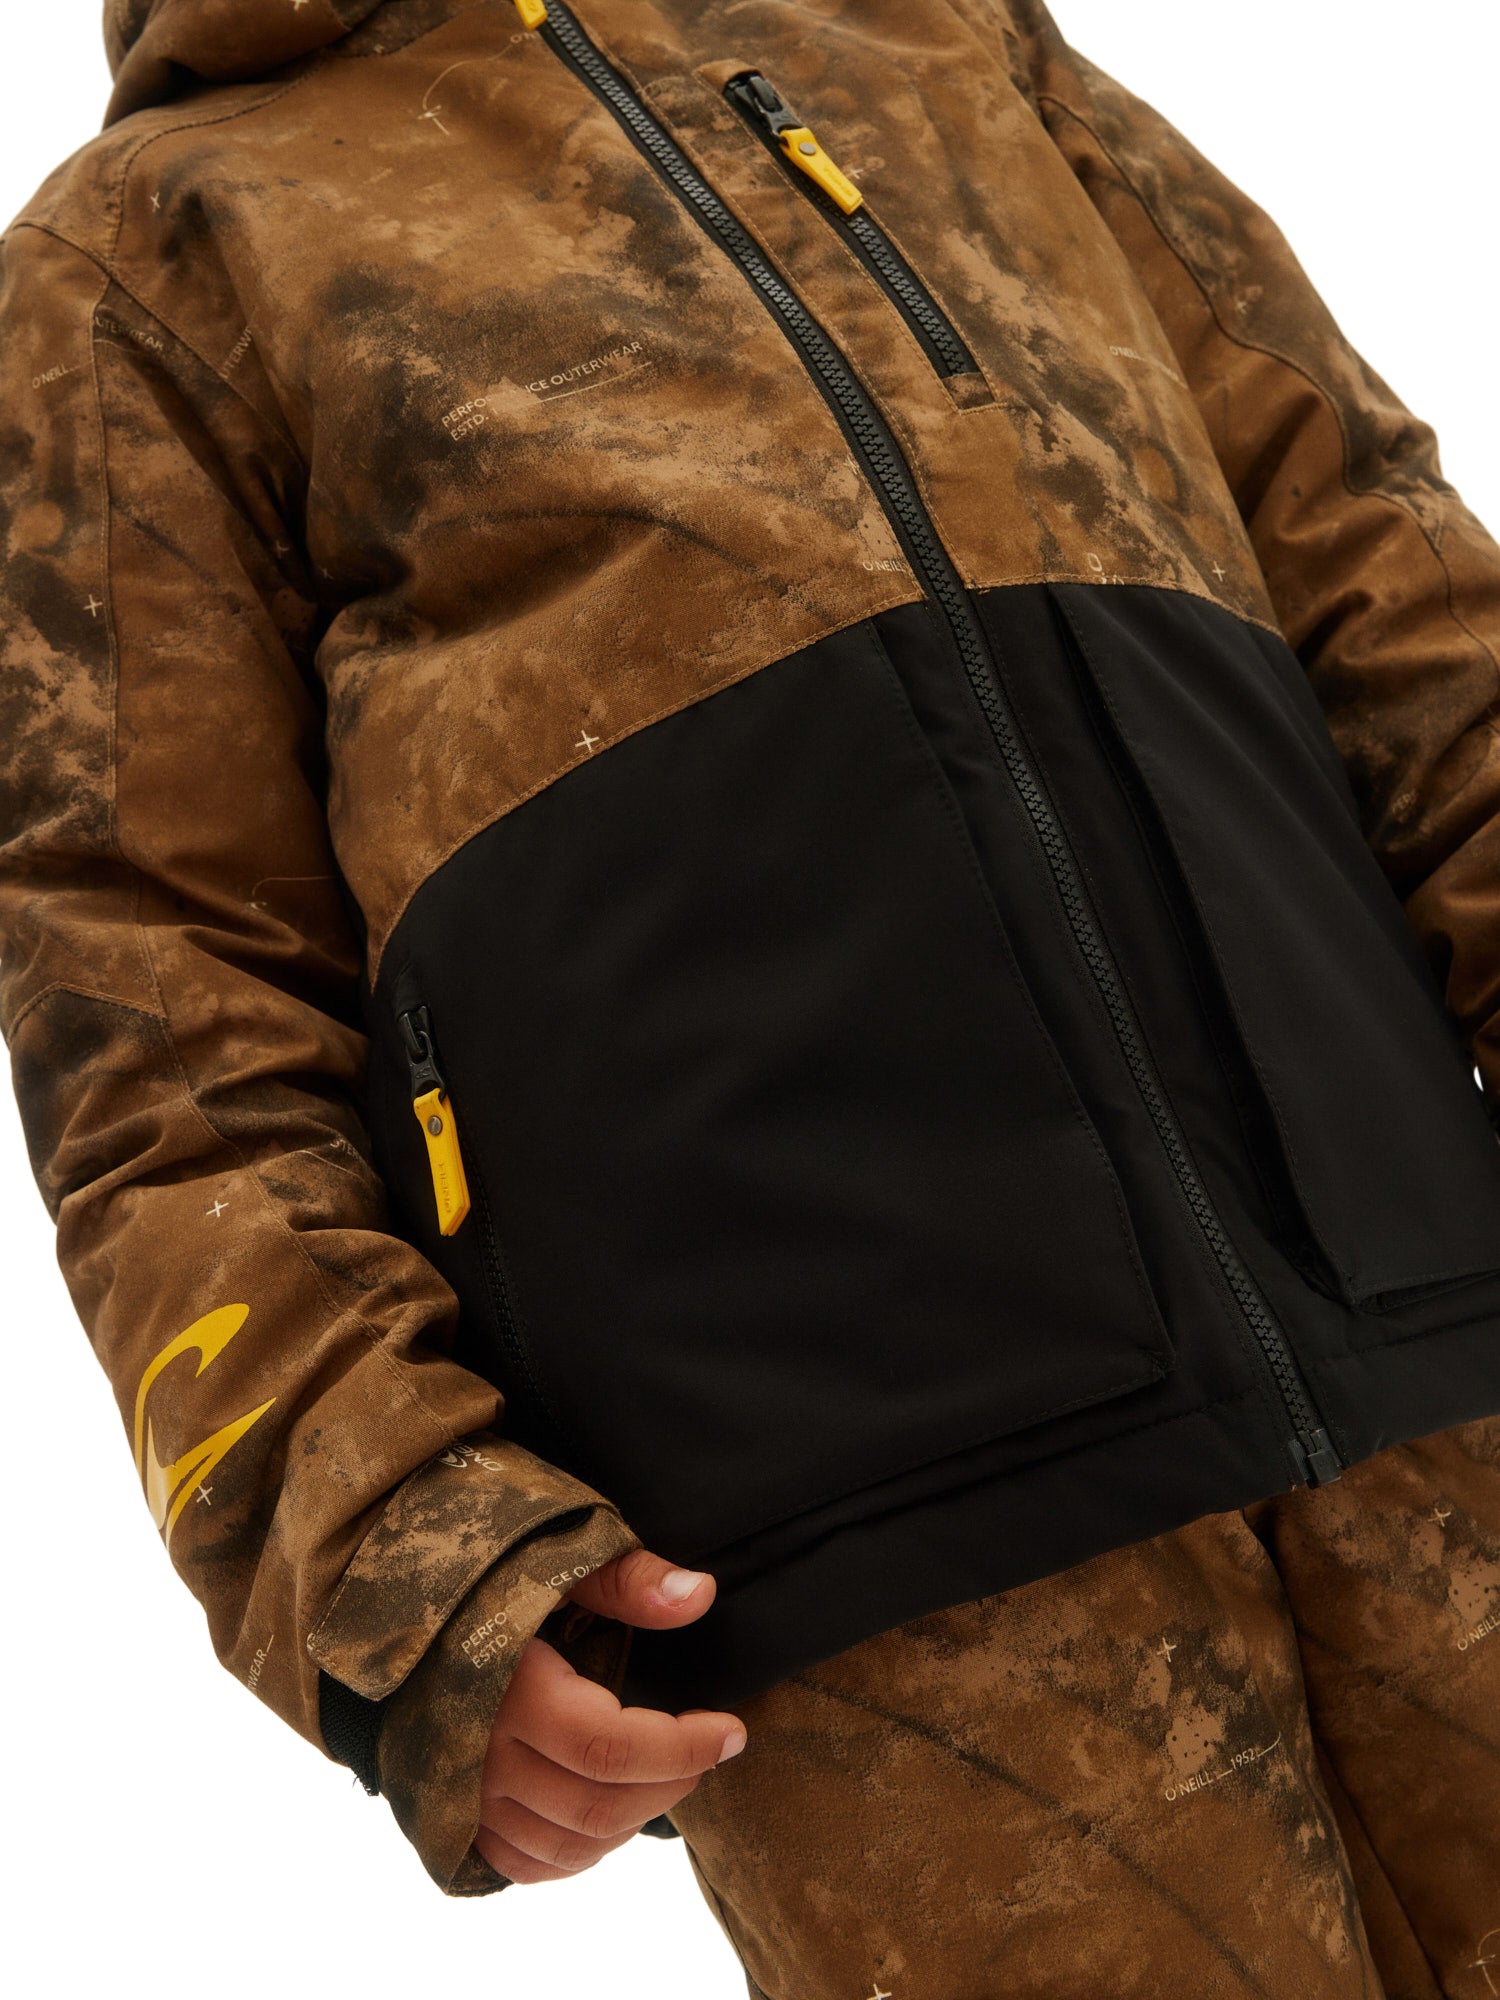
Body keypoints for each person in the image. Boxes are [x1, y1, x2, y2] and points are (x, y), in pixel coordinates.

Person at [2, 0, 1496, 1992]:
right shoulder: (146, 249)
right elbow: (153, 1013)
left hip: (1443, 1348)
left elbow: (1394, 584)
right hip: (871, 1545)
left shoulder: (941, 36)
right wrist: (407, 1557)